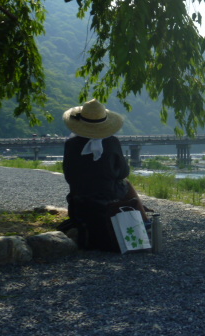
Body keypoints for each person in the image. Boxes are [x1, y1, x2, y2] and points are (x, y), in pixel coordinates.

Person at [62, 99, 149, 250]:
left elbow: (69, 176)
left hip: (79, 199)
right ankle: (144, 221)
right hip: (108, 196)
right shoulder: (111, 142)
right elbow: (123, 172)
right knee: (126, 183)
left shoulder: (71, 144)